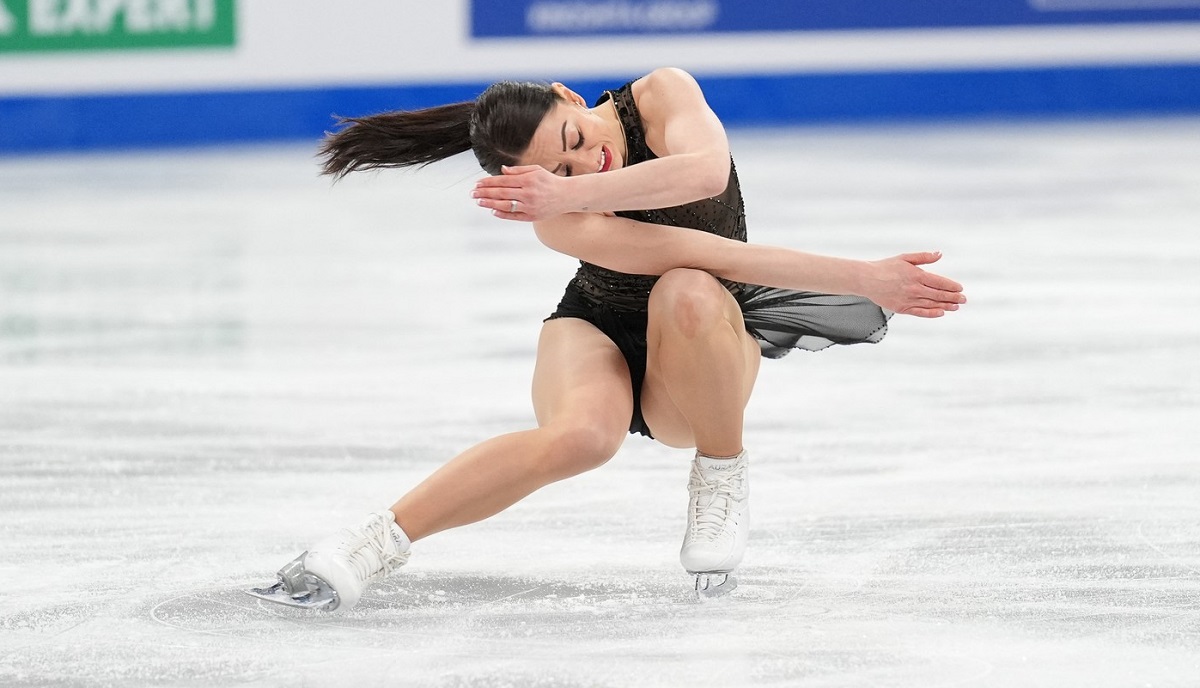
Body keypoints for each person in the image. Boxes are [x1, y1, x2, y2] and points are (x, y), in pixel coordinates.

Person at [247, 67, 966, 611]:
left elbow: (706, 175)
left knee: (688, 288)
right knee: (581, 437)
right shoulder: (554, 219)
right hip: (598, 322)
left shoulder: (660, 96)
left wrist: (863, 279)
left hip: (702, 335)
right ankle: (369, 544)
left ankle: (720, 472)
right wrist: (560, 202)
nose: (582, 163)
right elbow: (720, 251)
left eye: (573, 138)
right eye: (555, 172)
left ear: (568, 95)